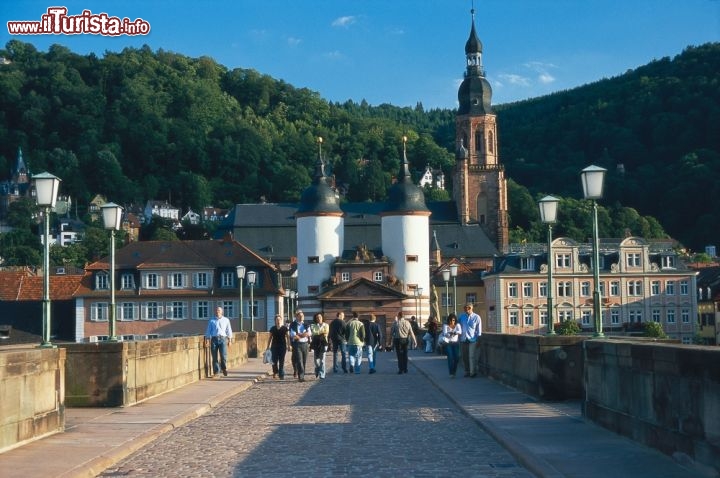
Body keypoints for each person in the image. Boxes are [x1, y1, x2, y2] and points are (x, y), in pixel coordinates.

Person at [204, 306, 233, 377]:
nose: (218, 312)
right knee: (214, 357)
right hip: (214, 339)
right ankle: (216, 372)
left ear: (222, 312)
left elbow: (229, 330)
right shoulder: (212, 320)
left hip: (223, 339)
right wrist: (207, 340)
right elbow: (208, 330)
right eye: (217, 310)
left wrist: (230, 340)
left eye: (219, 311)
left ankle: (223, 368)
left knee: (223, 356)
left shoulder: (226, 320)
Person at [459, 303, 482, 377]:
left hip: (473, 339)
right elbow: (457, 326)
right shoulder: (461, 317)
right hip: (463, 339)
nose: (467, 309)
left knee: (471, 356)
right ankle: (467, 371)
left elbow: (479, 330)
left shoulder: (477, 317)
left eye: (469, 308)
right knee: (465, 356)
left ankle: (473, 372)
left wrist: (478, 340)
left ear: (472, 308)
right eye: (465, 308)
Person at [289, 310, 312, 382]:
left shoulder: (306, 324)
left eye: (303, 316)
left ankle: (302, 374)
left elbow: (309, 333)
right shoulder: (293, 324)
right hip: (297, 344)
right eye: (300, 316)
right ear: (296, 317)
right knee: (299, 360)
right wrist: (303, 334)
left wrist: (299, 334)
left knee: (304, 361)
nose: (302, 317)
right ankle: (301, 377)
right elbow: (293, 336)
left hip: (305, 344)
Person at [266, 314, 290, 379]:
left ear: (281, 320)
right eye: (277, 320)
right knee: (274, 361)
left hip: (282, 347)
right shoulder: (272, 328)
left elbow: (288, 337)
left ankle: (281, 374)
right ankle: (275, 372)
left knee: (281, 361)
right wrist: (267, 347)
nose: (278, 321)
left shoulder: (285, 328)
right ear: (275, 321)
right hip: (274, 347)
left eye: (279, 319)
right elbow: (270, 338)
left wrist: (288, 345)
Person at [440, 313, 462, 378]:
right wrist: (451, 333)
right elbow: (445, 334)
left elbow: (460, 331)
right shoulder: (445, 325)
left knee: (457, 358)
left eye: (453, 320)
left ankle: (454, 371)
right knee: (450, 358)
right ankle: (451, 373)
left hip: (455, 343)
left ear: (455, 320)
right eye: (450, 320)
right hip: (448, 343)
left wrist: (454, 332)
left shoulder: (457, 325)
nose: (452, 321)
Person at [310, 312, 329, 379]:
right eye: (317, 317)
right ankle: (317, 369)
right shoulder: (313, 325)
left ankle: (322, 374)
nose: (319, 318)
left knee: (322, 360)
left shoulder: (326, 325)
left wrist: (317, 333)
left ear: (322, 318)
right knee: (316, 360)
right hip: (316, 344)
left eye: (320, 317)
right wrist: (320, 333)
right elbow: (313, 333)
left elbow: (326, 333)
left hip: (323, 344)